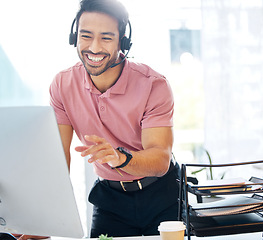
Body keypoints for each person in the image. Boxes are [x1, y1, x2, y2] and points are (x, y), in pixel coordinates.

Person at [49, 0, 180, 237]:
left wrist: (120, 158)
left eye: (106, 38)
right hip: (110, 200)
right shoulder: (62, 85)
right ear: (74, 37)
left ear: (123, 41)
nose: (94, 48)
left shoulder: (153, 85)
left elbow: (160, 159)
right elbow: (60, 158)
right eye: (85, 36)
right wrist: (42, 222)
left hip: (163, 196)